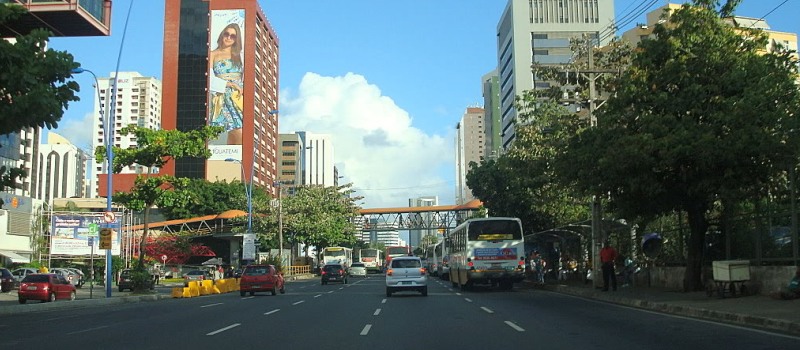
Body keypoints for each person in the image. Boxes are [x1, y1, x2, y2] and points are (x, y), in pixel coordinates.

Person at [208, 22, 244, 145]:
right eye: (226, 34)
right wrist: (228, 84)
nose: (229, 38)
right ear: (222, 35)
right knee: (231, 130)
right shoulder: (212, 54)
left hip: (238, 97)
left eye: (233, 36)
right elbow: (208, 78)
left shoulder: (240, 55)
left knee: (239, 130)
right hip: (221, 96)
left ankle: (237, 161)